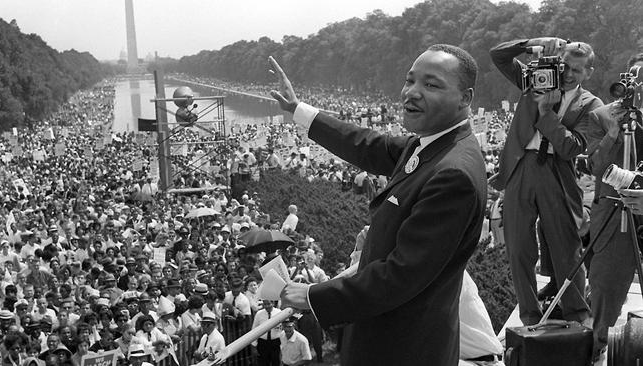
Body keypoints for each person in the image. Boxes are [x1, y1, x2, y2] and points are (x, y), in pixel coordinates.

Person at [271, 44, 487, 365]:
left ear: (465, 98)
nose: (411, 92)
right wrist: (299, 110)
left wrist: (313, 296)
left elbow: (402, 276)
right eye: (409, 80)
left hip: (405, 346)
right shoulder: (430, 144)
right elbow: (367, 145)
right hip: (388, 334)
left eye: (431, 84)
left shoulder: (452, 172)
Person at [489, 37, 603, 326]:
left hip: (557, 172)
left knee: (567, 248)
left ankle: (577, 316)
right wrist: (532, 43)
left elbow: (571, 148)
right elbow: (499, 55)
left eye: (576, 70)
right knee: (518, 249)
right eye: (564, 65)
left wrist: (546, 113)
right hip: (520, 167)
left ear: (588, 73)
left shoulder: (591, 105)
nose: (567, 74)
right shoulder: (535, 80)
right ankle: (529, 316)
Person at [585, 52, 643, 362]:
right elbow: (595, 166)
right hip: (614, 217)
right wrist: (613, 133)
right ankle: (598, 348)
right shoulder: (602, 116)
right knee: (606, 290)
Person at [251, 300, 282, 366]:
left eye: (268, 304)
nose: (267, 306)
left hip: (276, 343)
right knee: (263, 363)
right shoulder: (259, 314)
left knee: (276, 362)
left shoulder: (279, 313)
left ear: (273, 303)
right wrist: (253, 346)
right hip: (263, 343)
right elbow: (254, 330)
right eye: (265, 304)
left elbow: (282, 329)